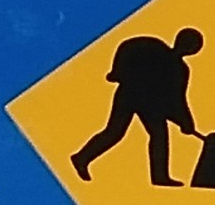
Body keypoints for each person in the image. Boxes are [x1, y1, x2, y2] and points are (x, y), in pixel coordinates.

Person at [71, 28, 206, 186]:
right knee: (118, 132)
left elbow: (176, 99)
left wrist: (185, 121)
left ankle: (159, 176)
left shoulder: (178, 67)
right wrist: (117, 72)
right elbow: (127, 48)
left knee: (153, 135)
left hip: (145, 102)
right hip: (134, 98)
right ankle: (81, 158)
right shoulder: (156, 50)